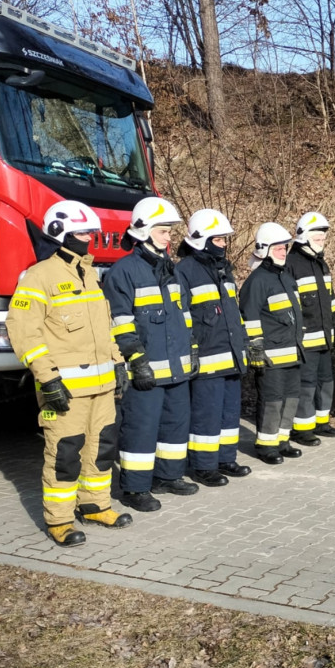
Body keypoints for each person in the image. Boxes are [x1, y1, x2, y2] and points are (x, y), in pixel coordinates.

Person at [5, 200, 131, 546]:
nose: (88, 239)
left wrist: (118, 362)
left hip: (102, 388)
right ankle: (59, 521)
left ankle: (94, 505)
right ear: (59, 233)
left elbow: (104, 327)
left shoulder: (89, 273)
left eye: (89, 232)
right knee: (65, 454)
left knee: (101, 448)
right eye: (81, 233)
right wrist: (47, 378)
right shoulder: (39, 276)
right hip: (64, 390)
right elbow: (23, 330)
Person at [103, 197, 199, 512]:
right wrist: (135, 360)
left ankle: (169, 476)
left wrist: (192, 349)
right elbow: (120, 324)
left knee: (175, 422)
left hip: (176, 366)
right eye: (162, 231)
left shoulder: (170, 269)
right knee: (141, 428)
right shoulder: (124, 272)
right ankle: (135, 488)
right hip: (145, 369)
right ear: (143, 232)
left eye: (170, 231)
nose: (168, 236)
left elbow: (184, 314)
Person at [176, 209, 252, 486]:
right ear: (201, 239)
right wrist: (191, 349)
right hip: (207, 357)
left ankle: (225, 458)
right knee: (206, 416)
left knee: (229, 413)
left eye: (224, 240)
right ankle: (204, 466)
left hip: (231, 355)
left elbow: (233, 313)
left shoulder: (224, 270)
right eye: (219, 240)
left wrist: (243, 344)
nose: (224, 245)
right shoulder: (184, 271)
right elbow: (182, 315)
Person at [239, 222, 305, 464]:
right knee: (272, 400)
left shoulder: (285, 277)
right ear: (263, 249)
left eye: (285, 247)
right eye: (278, 248)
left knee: (290, 399)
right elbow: (248, 316)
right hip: (271, 354)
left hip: (293, 352)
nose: (283, 251)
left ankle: (282, 440)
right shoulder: (257, 281)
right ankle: (266, 445)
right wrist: (254, 347)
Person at [286, 211, 335, 445]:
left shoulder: (321, 264)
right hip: (305, 339)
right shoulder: (292, 264)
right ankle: (302, 428)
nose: (321, 243)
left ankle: (322, 422)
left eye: (323, 239)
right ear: (304, 237)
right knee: (306, 383)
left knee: (325, 381)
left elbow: (330, 298)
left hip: (325, 337)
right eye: (317, 238)